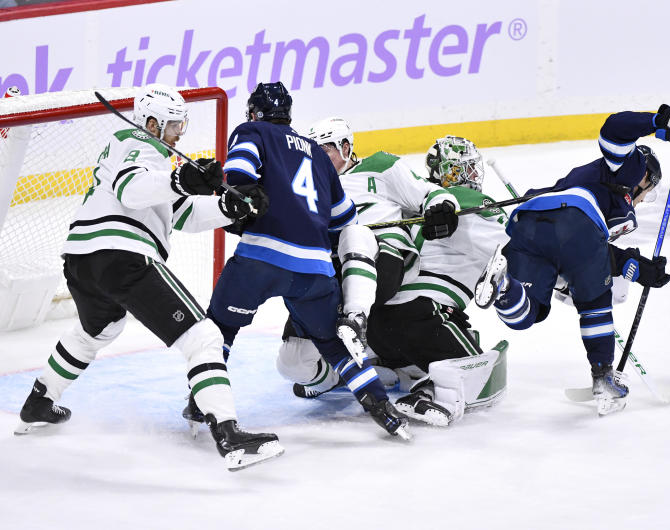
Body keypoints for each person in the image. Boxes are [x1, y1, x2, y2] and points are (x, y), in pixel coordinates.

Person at [13, 83, 280, 471]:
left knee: (97, 331)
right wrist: (181, 180)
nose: (179, 134)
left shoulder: (153, 161)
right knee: (203, 336)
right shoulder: (138, 141)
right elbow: (132, 189)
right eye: (173, 125)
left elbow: (181, 214)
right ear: (151, 123)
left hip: (83, 259)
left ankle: (39, 400)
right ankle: (228, 434)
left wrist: (229, 208)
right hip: (122, 255)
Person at [201, 83, 412, 440]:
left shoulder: (252, 131)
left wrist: (235, 197)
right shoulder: (316, 153)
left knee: (218, 329)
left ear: (254, 112)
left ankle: (200, 403)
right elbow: (344, 220)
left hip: (261, 258)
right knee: (333, 343)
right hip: (314, 269)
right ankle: (381, 407)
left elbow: (239, 175)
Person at [474, 105, 670, 416]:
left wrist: (636, 268)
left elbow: (589, 252)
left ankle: (503, 287)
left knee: (527, 314)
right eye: (648, 189)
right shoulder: (626, 166)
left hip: (529, 228)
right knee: (595, 301)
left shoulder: (582, 182)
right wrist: (660, 122)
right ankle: (603, 378)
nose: (645, 197)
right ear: (645, 176)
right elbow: (614, 128)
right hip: (576, 219)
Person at [273, 116, 460, 400]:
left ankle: (361, 326)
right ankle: (338, 374)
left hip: (383, 255)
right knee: (292, 362)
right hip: (327, 268)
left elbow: (430, 193)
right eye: (312, 152)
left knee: (355, 233)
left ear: (346, 147)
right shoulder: (305, 186)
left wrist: (443, 207)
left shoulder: (380, 166)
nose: (317, 159)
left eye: (325, 151)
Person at [368, 135, 511, 426]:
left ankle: (391, 366)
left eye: (470, 167)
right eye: (461, 168)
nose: (469, 174)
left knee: (439, 333)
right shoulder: (472, 200)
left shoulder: (413, 203)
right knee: (475, 369)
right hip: (422, 314)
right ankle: (432, 393)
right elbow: (510, 248)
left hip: (378, 323)